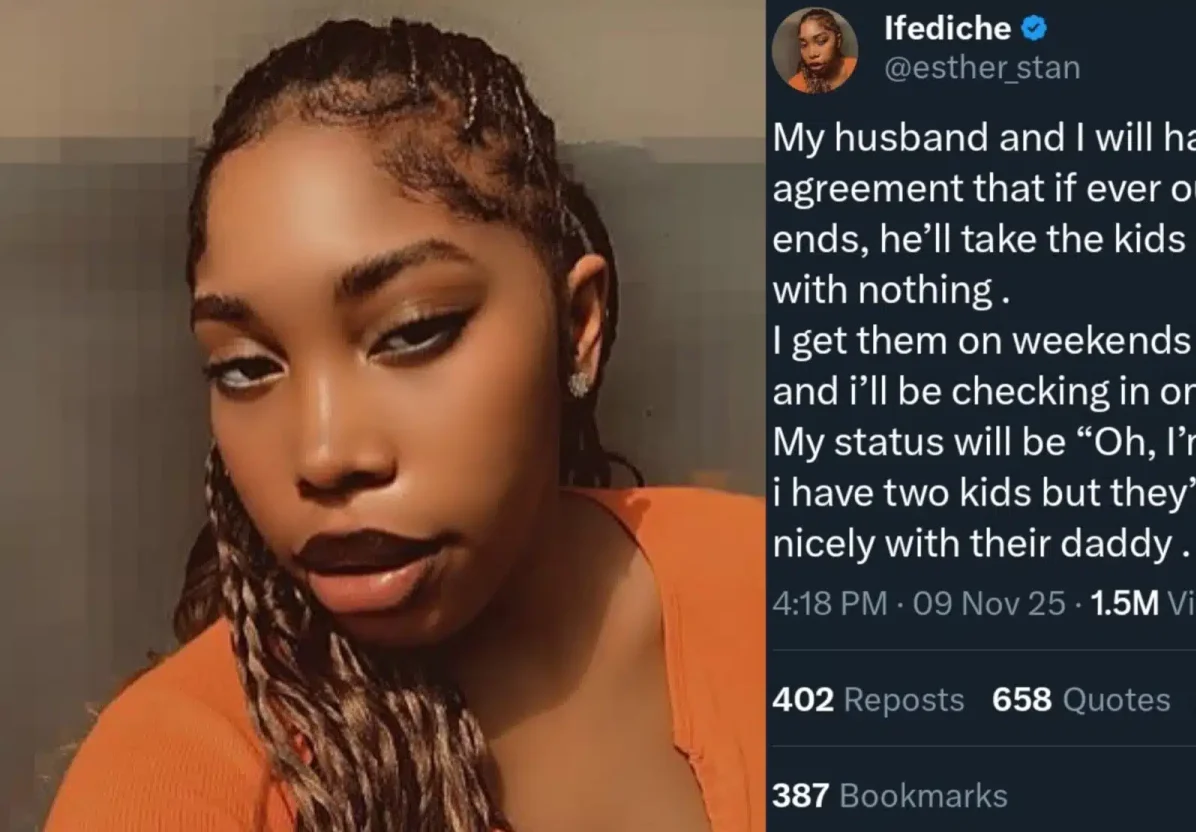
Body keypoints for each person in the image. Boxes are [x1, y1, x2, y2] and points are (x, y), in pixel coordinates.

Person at [44, 17, 764, 832]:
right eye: (244, 366)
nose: (324, 454)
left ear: (577, 325)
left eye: (414, 330)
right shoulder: (171, 780)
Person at [787, 9, 857, 94]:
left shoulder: (854, 66)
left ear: (838, 41)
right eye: (804, 45)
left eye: (821, 41)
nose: (812, 54)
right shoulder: (795, 84)